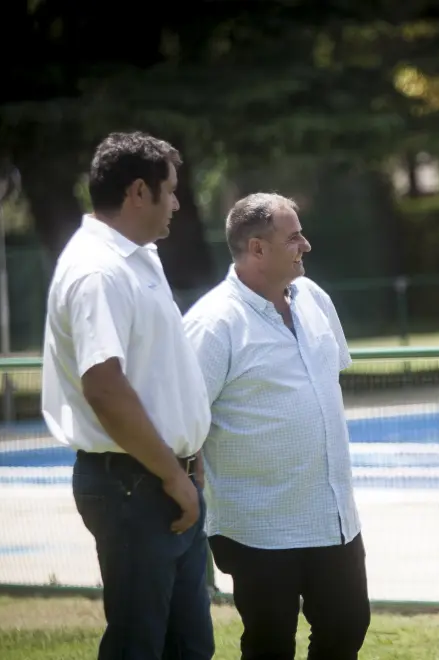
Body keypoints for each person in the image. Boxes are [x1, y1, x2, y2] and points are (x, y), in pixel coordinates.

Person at [40, 132, 215, 659]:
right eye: (171, 190)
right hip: (135, 485)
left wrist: (187, 462)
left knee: (189, 648)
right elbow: (104, 387)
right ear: (139, 192)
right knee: (139, 647)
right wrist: (171, 474)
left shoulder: (136, 258)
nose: (177, 203)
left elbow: (151, 374)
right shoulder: (99, 270)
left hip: (158, 479)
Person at [182, 192, 369, 660]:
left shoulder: (314, 298)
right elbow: (182, 419)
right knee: (270, 646)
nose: (306, 245)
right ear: (257, 249)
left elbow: (326, 383)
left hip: (334, 518)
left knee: (348, 627)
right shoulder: (213, 322)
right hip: (259, 526)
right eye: (294, 237)